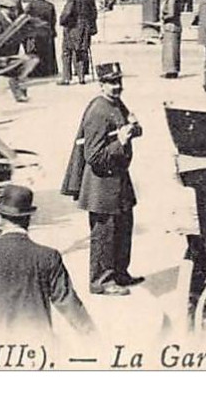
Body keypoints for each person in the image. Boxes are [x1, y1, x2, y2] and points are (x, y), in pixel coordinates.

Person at [0, 185, 94, 335]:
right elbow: (70, 306)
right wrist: (94, 338)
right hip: (35, 349)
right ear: (29, 219)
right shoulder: (48, 257)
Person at [62, 63, 140, 296]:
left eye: (119, 82)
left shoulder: (115, 104)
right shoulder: (98, 111)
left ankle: (120, 273)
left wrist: (133, 129)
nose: (117, 87)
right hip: (101, 185)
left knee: (124, 228)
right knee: (104, 234)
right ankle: (101, 281)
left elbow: (133, 127)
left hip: (118, 181)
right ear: (101, 84)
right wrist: (121, 143)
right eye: (112, 83)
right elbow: (93, 156)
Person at [59, 0, 98, 86]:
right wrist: (92, 27)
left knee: (67, 51)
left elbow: (68, 12)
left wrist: (62, 21)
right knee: (81, 50)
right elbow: (94, 13)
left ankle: (66, 78)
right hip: (85, 26)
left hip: (72, 26)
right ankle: (81, 77)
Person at [24, 0, 60, 79]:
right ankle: (48, 71)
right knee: (47, 52)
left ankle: (34, 71)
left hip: (35, 32)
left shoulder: (31, 5)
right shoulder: (50, 6)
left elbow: (25, 18)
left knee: (35, 52)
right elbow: (53, 20)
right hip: (47, 32)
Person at [159, 0, 184, 78]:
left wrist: (163, 18)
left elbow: (171, 13)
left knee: (170, 50)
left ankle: (171, 71)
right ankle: (172, 70)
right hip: (174, 26)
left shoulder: (171, 0)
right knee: (172, 50)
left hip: (171, 26)